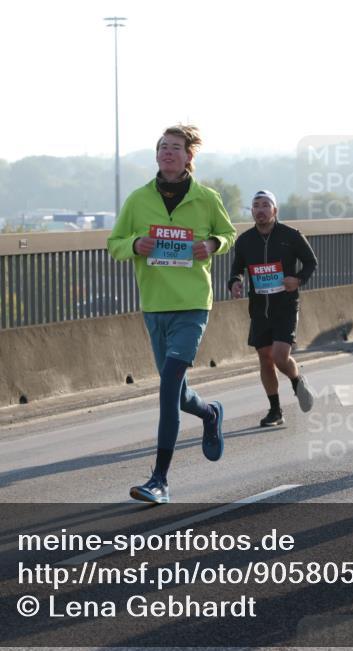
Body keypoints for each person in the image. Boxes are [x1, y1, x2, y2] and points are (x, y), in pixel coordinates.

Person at [107, 124, 237, 505]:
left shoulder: (206, 198)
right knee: (178, 393)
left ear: (188, 157)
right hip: (155, 305)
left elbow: (228, 234)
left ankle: (159, 480)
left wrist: (212, 243)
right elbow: (114, 243)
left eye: (175, 147)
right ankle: (210, 413)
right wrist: (135, 244)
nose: (167, 152)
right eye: (163, 147)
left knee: (168, 388)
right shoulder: (137, 200)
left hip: (193, 303)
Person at [228, 190, 318, 426]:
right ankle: (275, 411)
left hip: (285, 305)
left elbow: (311, 262)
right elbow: (236, 269)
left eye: (265, 205)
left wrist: (297, 279)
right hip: (259, 308)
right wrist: (235, 282)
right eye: (256, 205)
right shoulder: (245, 241)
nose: (260, 210)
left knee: (280, 356)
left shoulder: (290, 235)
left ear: (275, 210)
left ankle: (297, 379)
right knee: (265, 358)